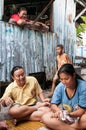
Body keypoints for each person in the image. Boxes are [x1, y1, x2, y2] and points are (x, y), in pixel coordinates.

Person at [42, 63, 86, 130]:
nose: (64, 82)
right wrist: (60, 112)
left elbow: (81, 111)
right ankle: (71, 128)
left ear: (74, 75)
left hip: (79, 117)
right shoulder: (60, 86)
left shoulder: (83, 87)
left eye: (66, 79)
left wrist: (69, 114)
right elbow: (53, 105)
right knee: (45, 117)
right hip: (65, 118)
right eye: (61, 79)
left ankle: (63, 127)